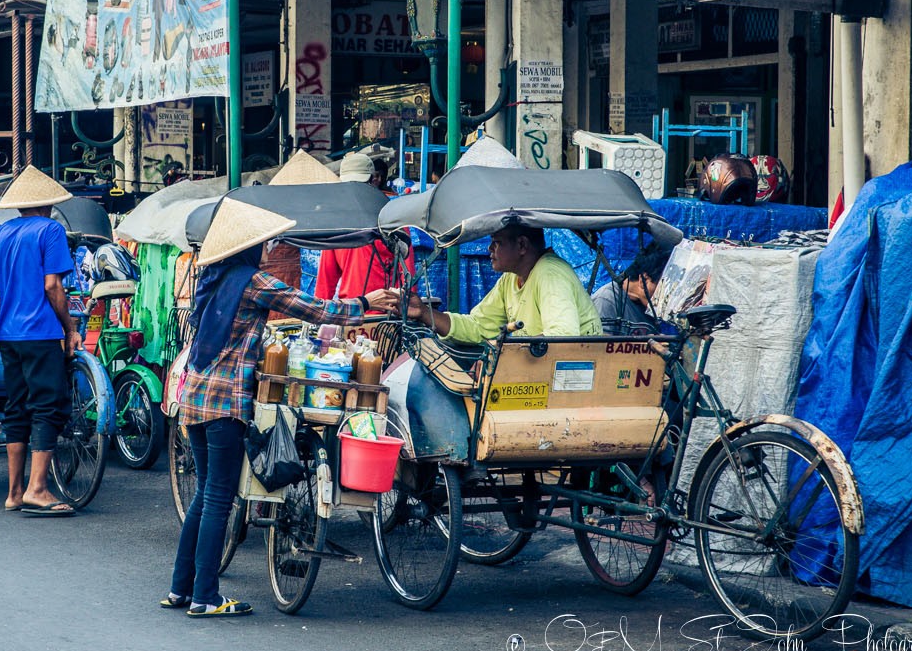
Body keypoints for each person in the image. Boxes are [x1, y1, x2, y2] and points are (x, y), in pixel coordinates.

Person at [165, 199, 397, 618]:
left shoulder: (212, 279)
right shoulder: (252, 281)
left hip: (195, 399)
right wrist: (367, 302)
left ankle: (182, 589)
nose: (271, 248)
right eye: (266, 243)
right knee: (219, 497)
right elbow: (317, 309)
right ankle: (206, 597)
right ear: (247, 248)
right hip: (225, 406)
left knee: (205, 494)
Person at [0, 167, 81, 517]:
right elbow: (53, 286)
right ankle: (37, 489)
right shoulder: (50, 230)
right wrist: (70, 327)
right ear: (48, 205)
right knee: (48, 406)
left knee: (16, 407)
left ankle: (14, 492)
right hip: (40, 333)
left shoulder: (0, 233)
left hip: (7, 336)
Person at [402, 221, 602, 340]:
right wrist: (424, 313)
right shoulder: (510, 279)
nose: (489, 249)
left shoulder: (550, 274)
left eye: (496, 243)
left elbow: (563, 336)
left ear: (522, 245)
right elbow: (478, 326)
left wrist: (510, 355)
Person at [315, 151, 414, 299]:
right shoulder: (336, 223)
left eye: (358, 184)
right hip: (352, 312)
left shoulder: (392, 220)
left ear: (374, 180)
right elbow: (326, 280)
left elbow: (407, 277)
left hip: (384, 314)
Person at [592, 242, 672, 336]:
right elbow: (597, 348)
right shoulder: (606, 300)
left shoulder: (646, 307)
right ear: (643, 280)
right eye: (661, 288)